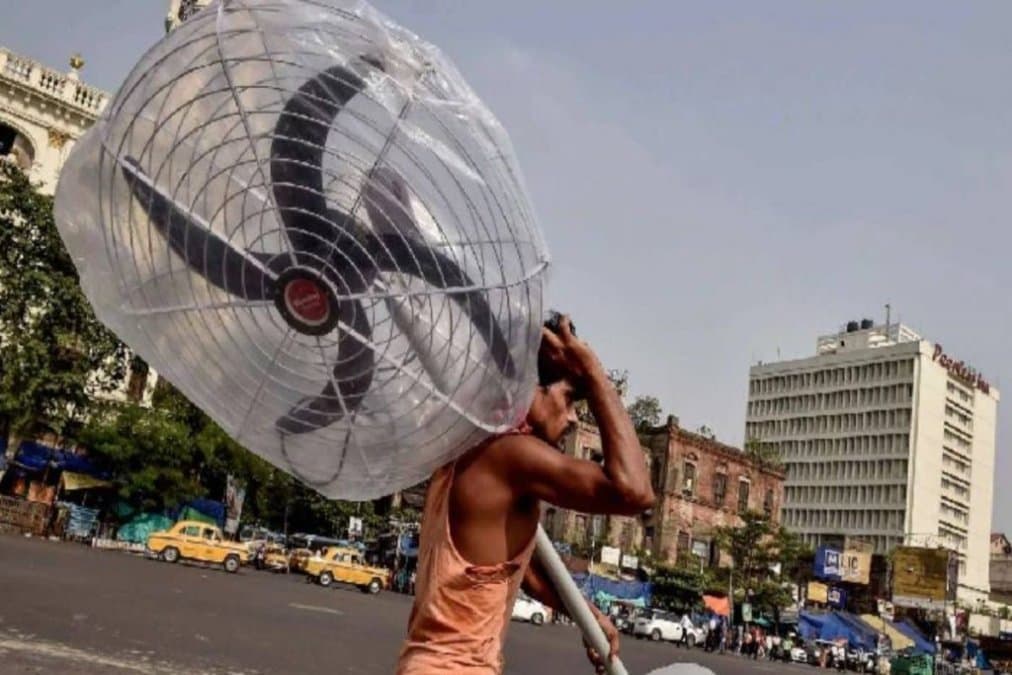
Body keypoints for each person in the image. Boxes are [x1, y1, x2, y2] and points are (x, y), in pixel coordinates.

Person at [396, 315, 655, 675]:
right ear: (530, 388)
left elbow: (524, 570)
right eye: (568, 399)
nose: (574, 418)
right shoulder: (509, 455)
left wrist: (589, 617)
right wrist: (593, 372)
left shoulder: (468, 450)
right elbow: (634, 491)